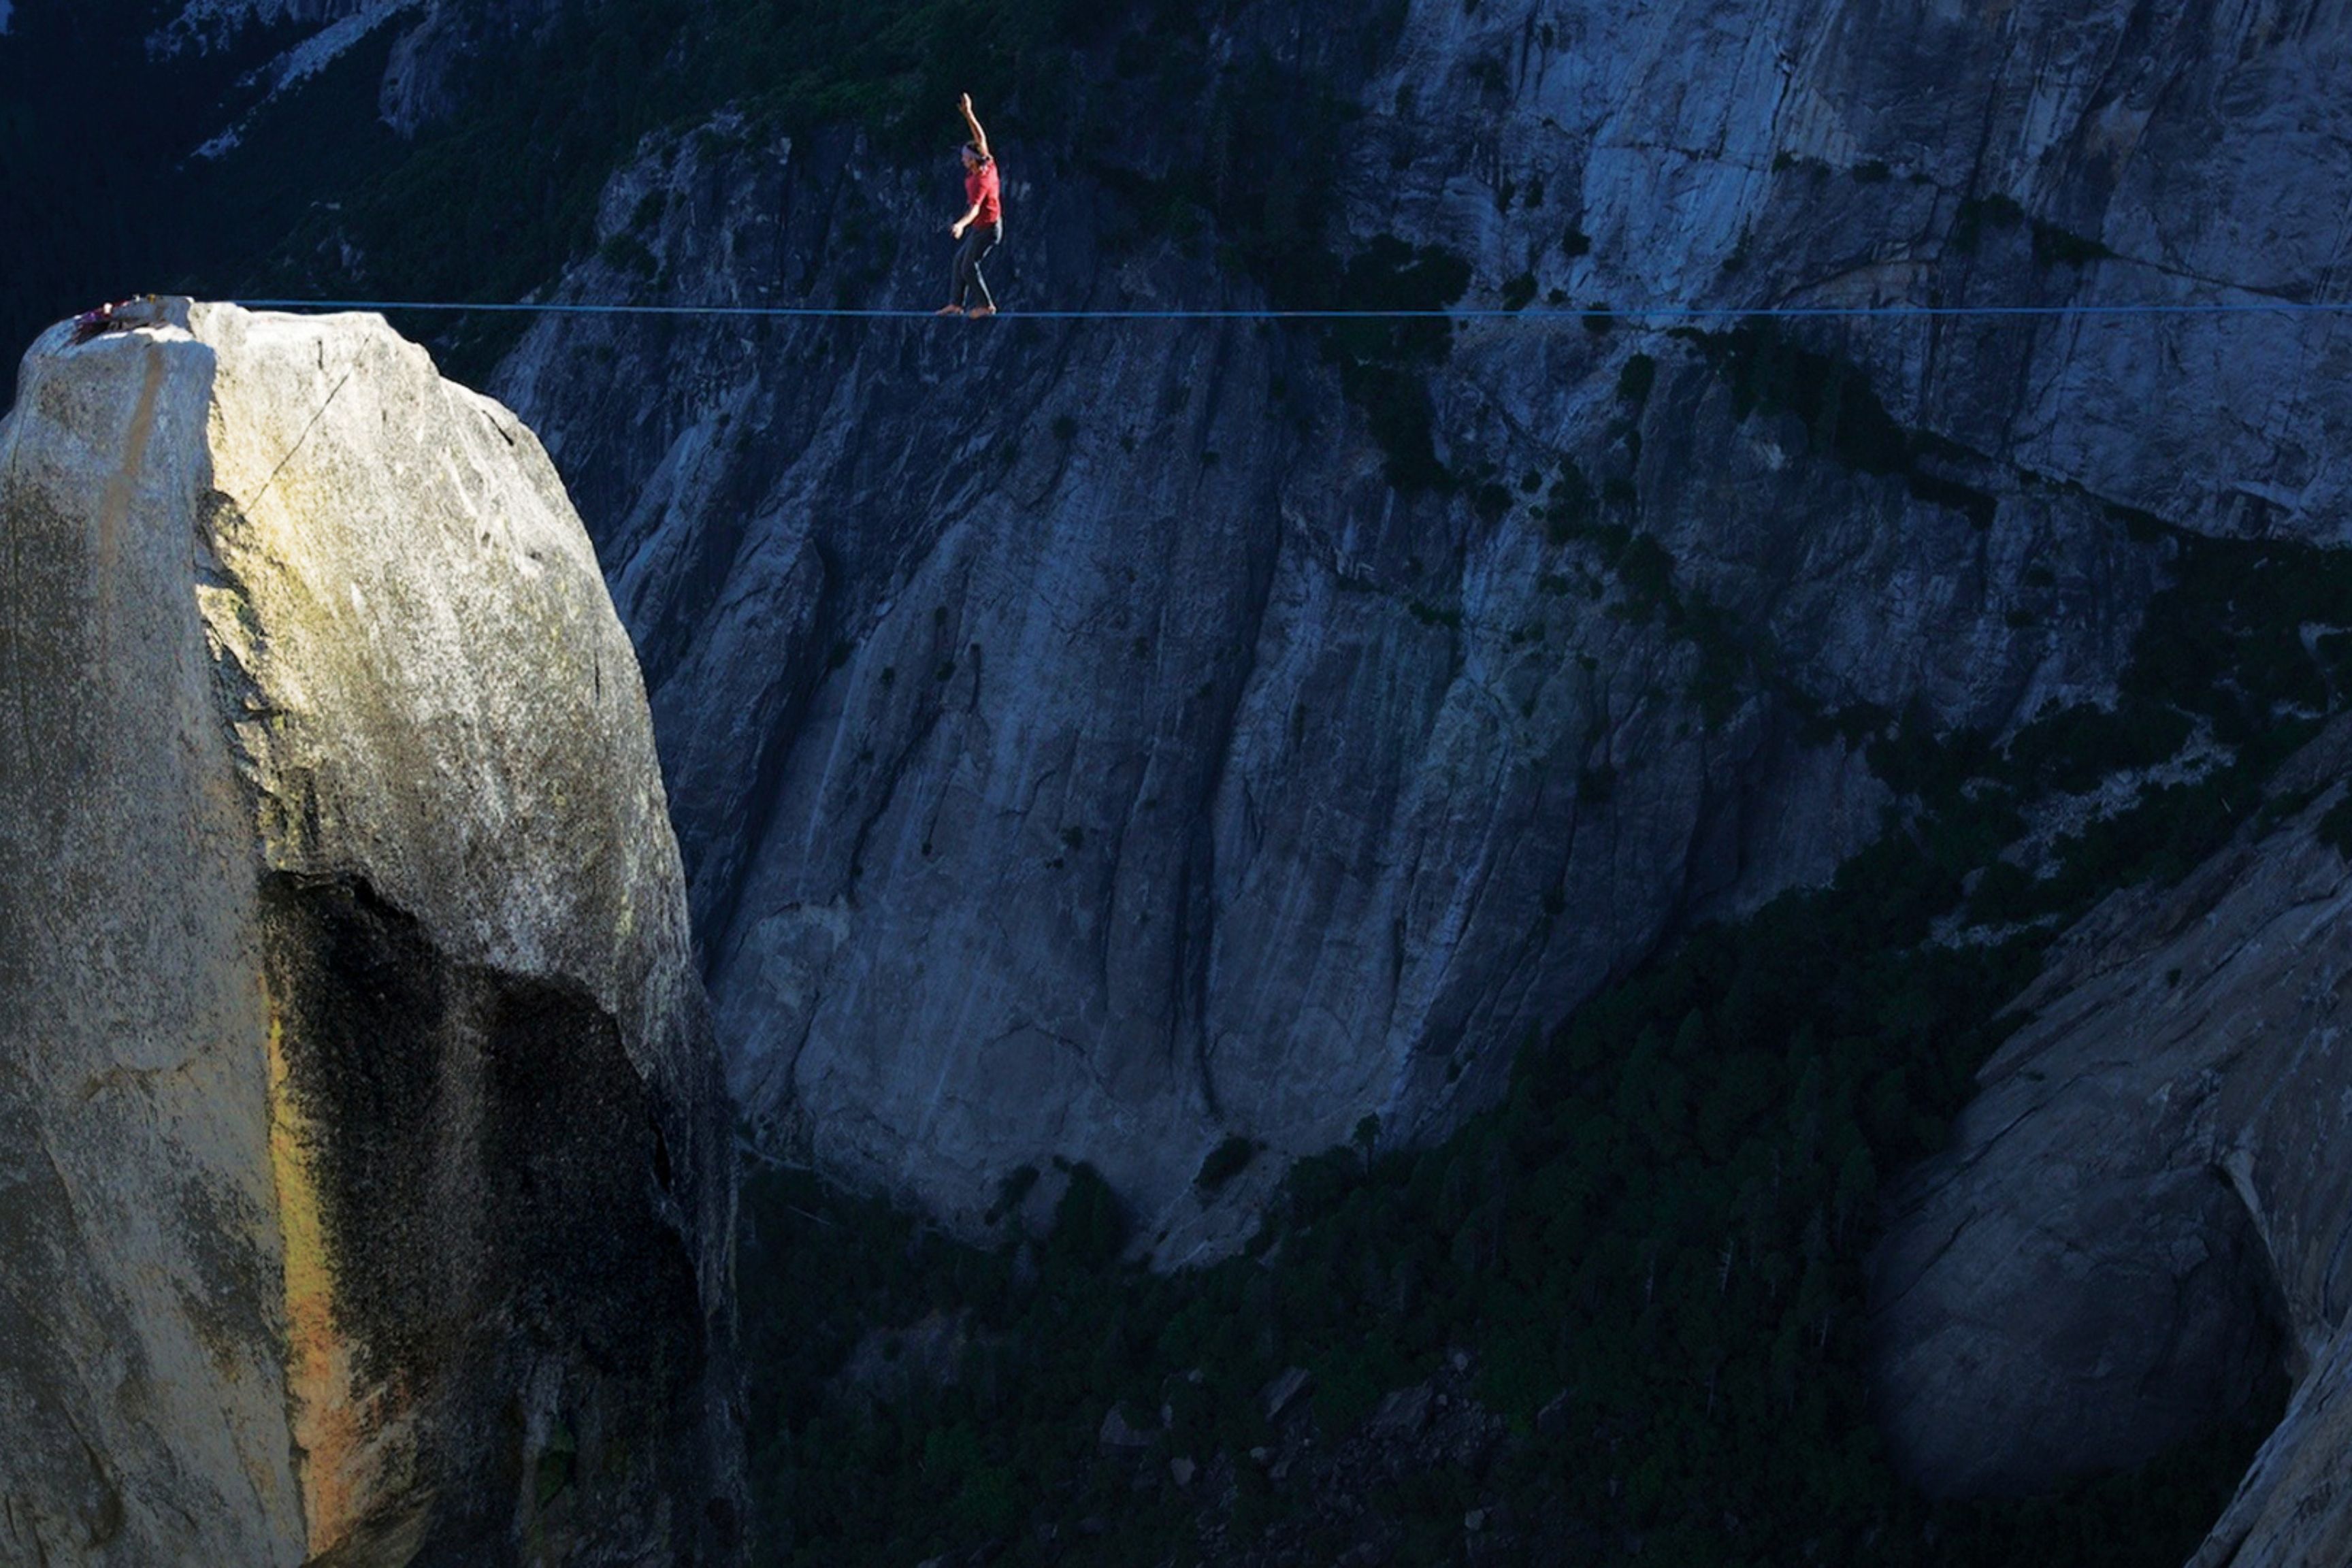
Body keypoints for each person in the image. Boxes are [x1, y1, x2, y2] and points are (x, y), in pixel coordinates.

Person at [939, 93, 1003, 319]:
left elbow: (974, 209)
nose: (963, 160)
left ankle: (986, 306)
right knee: (959, 261)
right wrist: (969, 114)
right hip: (982, 227)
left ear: (974, 161)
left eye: (966, 158)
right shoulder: (986, 161)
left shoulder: (981, 181)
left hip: (988, 229)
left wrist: (960, 225)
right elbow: (979, 136)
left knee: (968, 266)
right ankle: (956, 304)